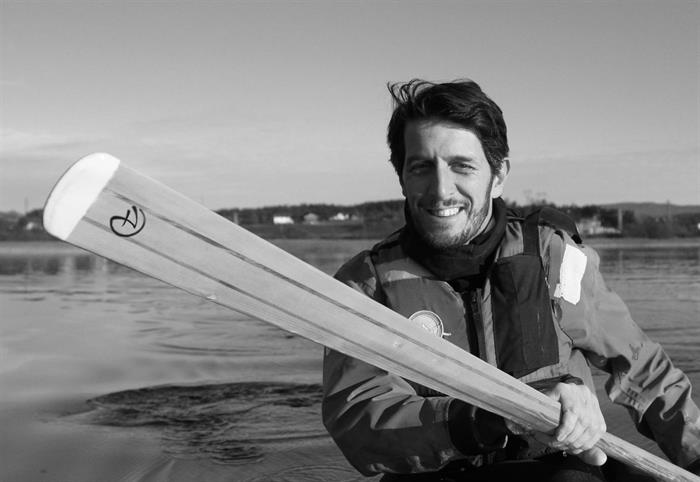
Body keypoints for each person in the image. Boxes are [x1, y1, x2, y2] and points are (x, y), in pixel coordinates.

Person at [321, 79, 700, 481]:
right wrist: (492, 418)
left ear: (498, 175)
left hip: (554, 466)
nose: (441, 189)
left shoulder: (553, 259)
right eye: (421, 167)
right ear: (402, 177)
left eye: (462, 166)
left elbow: (643, 370)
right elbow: (358, 421)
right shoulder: (366, 285)